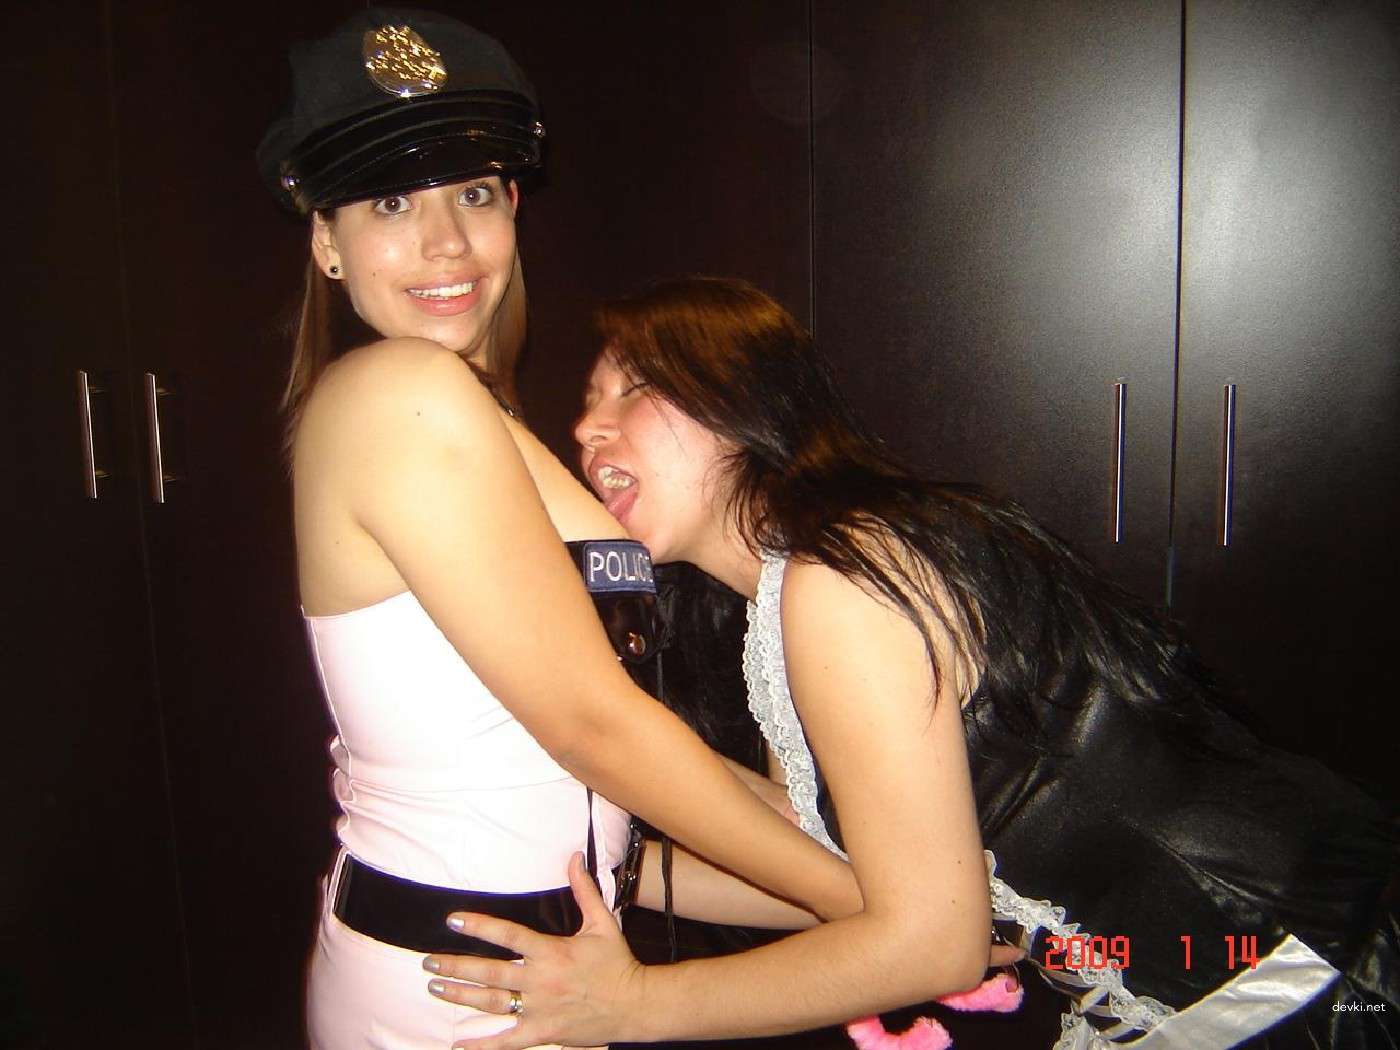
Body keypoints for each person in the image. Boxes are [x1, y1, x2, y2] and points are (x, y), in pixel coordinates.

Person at [426, 277, 1398, 1049]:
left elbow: (929, 941)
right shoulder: (786, 600)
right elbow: (824, 867)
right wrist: (605, 861)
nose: (587, 429)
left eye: (632, 388)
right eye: (586, 403)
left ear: (743, 403)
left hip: (1309, 963)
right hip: (1225, 973)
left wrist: (631, 1003)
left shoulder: (843, 579)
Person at [256, 14, 869, 1049]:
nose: (446, 241)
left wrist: (877, 878)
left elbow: (586, 799)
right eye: (391, 202)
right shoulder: (397, 392)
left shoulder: (483, 416)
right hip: (452, 991)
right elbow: (593, 724)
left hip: (528, 967)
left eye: (474, 192)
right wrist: (880, 911)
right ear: (325, 240)